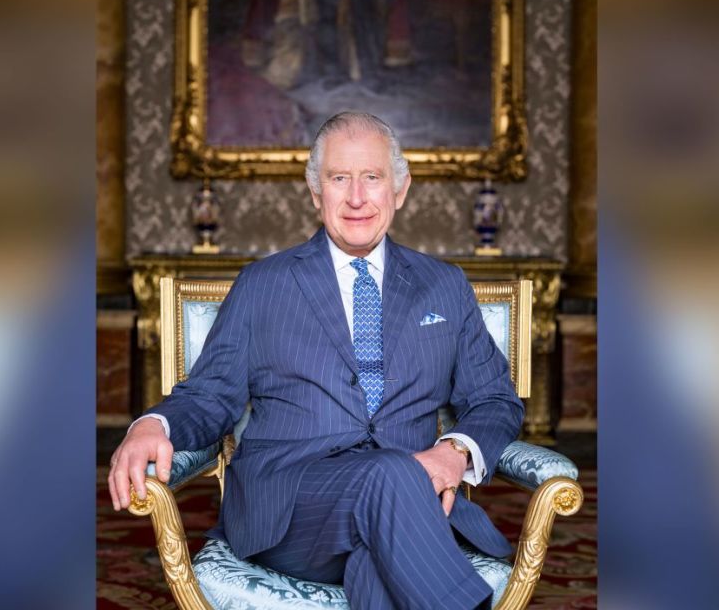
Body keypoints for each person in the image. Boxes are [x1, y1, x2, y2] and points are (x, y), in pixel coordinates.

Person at [108, 112, 523, 609]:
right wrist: (152, 425)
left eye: (372, 177)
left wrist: (454, 451)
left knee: (374, 563)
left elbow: (495, 399)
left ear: (400, 188)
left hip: (411, 510)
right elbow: (209, 395)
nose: (356, 197)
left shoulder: (445, 286)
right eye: (339, 178)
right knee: (389, 474)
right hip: (291, 507)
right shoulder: (263, 285)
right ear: (315, 192)